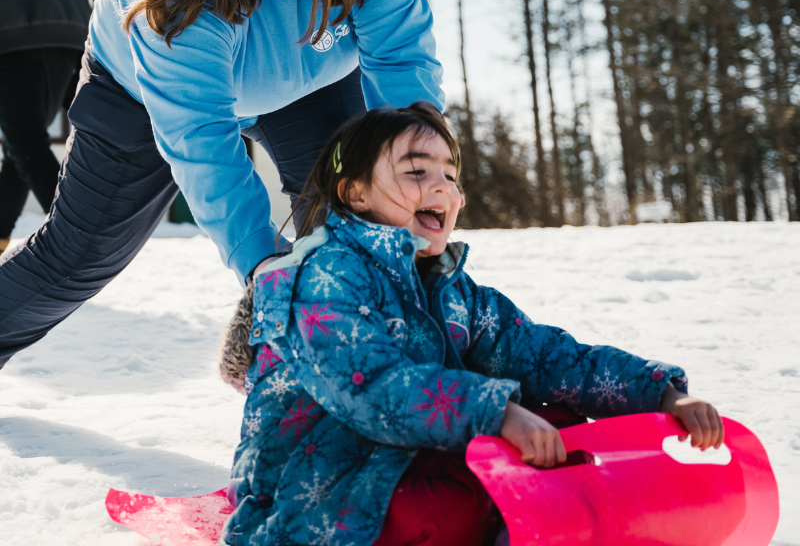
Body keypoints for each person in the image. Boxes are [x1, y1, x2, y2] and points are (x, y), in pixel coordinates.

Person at [0, 0, 443, 369]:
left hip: (310, 76)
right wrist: (264, 270)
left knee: (364, 219)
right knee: (78, 257)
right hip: (140, 96)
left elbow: (401, 56)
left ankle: (385, 381)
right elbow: (202, 138)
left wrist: (418, 178)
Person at [218, 103, 725, 546]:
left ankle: (539, 518)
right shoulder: (327, 276)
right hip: (315, 487)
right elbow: (369, 386)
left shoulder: (450, 289)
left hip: (400, 458)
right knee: (442, 514)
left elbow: (544, 355)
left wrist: (660, 395)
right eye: (417, 172)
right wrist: (496, 414)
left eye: (449, 174)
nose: (441, 185)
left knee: (561, 427)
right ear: (355, 194)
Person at [0, 0, 111, 256]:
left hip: (11, 43)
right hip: (71, 41)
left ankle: (71, 241)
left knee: (24, 140)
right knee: (21, 145)